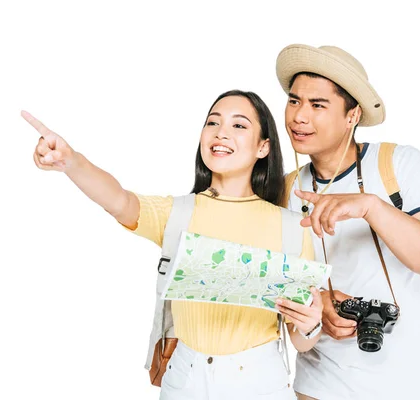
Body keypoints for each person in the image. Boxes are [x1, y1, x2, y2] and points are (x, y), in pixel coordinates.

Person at [21, 89, 326, 400]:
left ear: (263, 147)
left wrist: (310, 325)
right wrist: (71, 161)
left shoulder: (292, 227)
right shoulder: (178, 213)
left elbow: (299, 339)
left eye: (239, 125)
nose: (221, 133)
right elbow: (118, 199)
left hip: (258, 382)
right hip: (185, 378)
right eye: (213, 122)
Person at [274, 44, 420, 400]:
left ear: (352, 115)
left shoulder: (400, 165)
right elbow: (278, 285)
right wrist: (320, 304)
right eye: (294, 100)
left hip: (412, 387)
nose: (299, 116)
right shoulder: (284, 189)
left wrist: (371, 208)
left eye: (317, 105)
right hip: (318, 389)